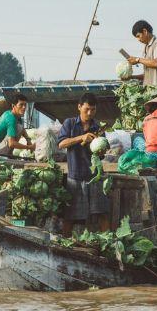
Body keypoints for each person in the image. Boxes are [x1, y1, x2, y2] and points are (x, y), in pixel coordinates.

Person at [58, 93, 110, 234]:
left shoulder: (98, 127)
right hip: (75, 176)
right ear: (79, 107)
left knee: (102, 213)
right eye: (87, 109)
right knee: (70, 215)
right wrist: (81, 137)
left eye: (93, 110)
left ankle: (109, 242)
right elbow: (61, 143)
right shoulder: (69, 123)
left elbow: (101, 154)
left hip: (94, 176)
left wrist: (101, 149)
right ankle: (65, 243)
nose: (89, 112)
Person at [128, 20, 157, 86]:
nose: (138, 40)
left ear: (145, 31)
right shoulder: (146, 48)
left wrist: (137, 60)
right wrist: (130, 77)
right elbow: (147, 75)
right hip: (149, 91)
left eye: (138, 36)